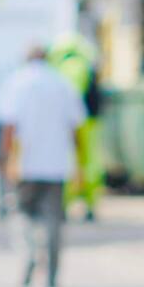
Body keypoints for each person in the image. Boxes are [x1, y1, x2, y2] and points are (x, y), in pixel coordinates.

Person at [0, 46, 87, 287]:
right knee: (53, 219)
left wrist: (7, 160)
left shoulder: (16, 82)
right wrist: (79, 163)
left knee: (20, 213)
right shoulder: (63, 84)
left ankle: (28, 254)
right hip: (57, 164)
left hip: (25, 163)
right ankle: (52, 276)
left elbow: (8, 126)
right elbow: (76, 128)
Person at [49, 33, 104, 221]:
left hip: (69, 122)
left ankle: (65, 204)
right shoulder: (83, 64)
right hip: (87, 122)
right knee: (88, 162)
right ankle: (89, 204)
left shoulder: (61, 67)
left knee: (67, 161)